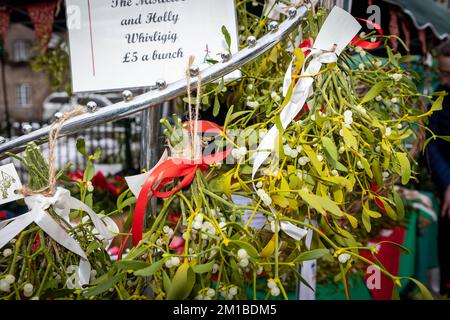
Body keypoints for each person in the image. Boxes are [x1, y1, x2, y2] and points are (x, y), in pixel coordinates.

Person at [427, 39, 450, 297]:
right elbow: (429, 142)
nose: (443, 80)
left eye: (448, 74)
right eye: (441, 73)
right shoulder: (439, 97)